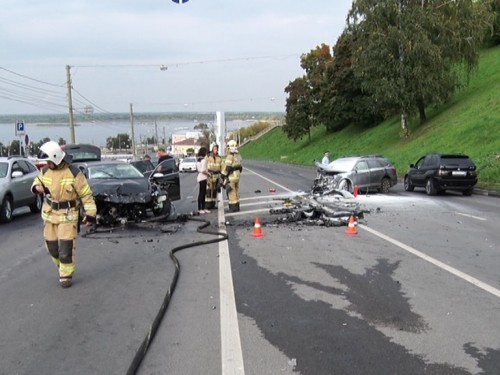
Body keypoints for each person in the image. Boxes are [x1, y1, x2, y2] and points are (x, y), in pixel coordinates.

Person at [31, 141, 97, 288]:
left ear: (56, 158)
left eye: (49, 161)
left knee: (66, 248)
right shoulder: (45, 171)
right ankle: (62, 266)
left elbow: (86, 195)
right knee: (51, 246)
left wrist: (91, 214)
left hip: (68, 216)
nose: (47, 163)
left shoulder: (74, 173)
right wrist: (37, 187)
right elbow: (37, 182)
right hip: (50, 215)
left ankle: (66, 275)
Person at [221, 139, 243, 213]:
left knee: (231, 192)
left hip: (231, 177)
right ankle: (237, 206)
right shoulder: (238, 156)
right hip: (237, 176)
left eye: (227, 148)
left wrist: (223, 175)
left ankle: (233, 208)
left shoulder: (230, 156)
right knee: (236, 191)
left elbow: (227, 167)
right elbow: (240, 167)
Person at [205, 144, 223, 209]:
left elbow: (222, 167)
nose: (216, 150)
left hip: (216, 175)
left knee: (215, 190)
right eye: (214, 149)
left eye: (216, 149)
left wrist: (221, 177)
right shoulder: (208, 157)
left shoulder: (219, 157)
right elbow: (204, 166)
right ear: (212, 149)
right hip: (209, 175)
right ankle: (207, 205)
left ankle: (213, 204)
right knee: (209, 190)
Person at [196, 147, 211, 214]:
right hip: (203, 178)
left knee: (202, 193)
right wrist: (208, 174)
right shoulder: (204, 160)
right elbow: (203, 170)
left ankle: (202, 208)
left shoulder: (198, 160)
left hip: (200, 177)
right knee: (202, 193)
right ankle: (201, 208)